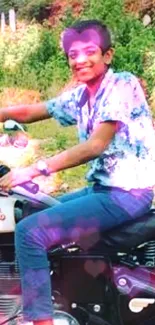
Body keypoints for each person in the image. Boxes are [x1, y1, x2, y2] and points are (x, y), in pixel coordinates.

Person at [0, 19, 155, 325]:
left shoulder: (122, 85)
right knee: (32, 210)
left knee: (30, 233)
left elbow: (94, 146)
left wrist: (33, 170)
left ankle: (40, 320)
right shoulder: (83, 95)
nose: (80, 59)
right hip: (103, 190)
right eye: (72, 54)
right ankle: (63, 299)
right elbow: (35, 111)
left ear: (107, 55)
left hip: (127, 192)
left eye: (89, 51)